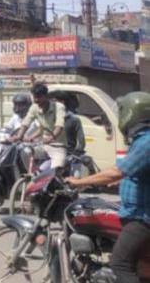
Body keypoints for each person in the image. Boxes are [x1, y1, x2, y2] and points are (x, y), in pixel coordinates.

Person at [66, 92, 150, 283]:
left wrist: (80, 182)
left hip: (142, 216)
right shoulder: (142, 139)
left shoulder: (146, 141)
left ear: (132, 113)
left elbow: (115, 172)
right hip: (136, 210)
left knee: (120, 265)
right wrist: (118, 181)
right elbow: (135, 171)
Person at [13, 82, 68, 169]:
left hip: (58, 146)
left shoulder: (59, 107)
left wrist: (51, 138)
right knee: (25, 151)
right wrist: (19, 136)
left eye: (38, 97)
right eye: (34, 97)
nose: (36, 100)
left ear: (46, 96)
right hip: (42, 146)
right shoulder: (34, 107)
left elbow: (59, 125)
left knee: (56, 172)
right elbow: (26, 122)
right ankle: (34, 175)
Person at [51, 91, 86, 156]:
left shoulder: (73, 120)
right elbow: (81, 144)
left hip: (65, 156)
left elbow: (81, 142)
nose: (52, 104)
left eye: (55, 101)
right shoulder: (75, 119)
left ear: (62, 102)